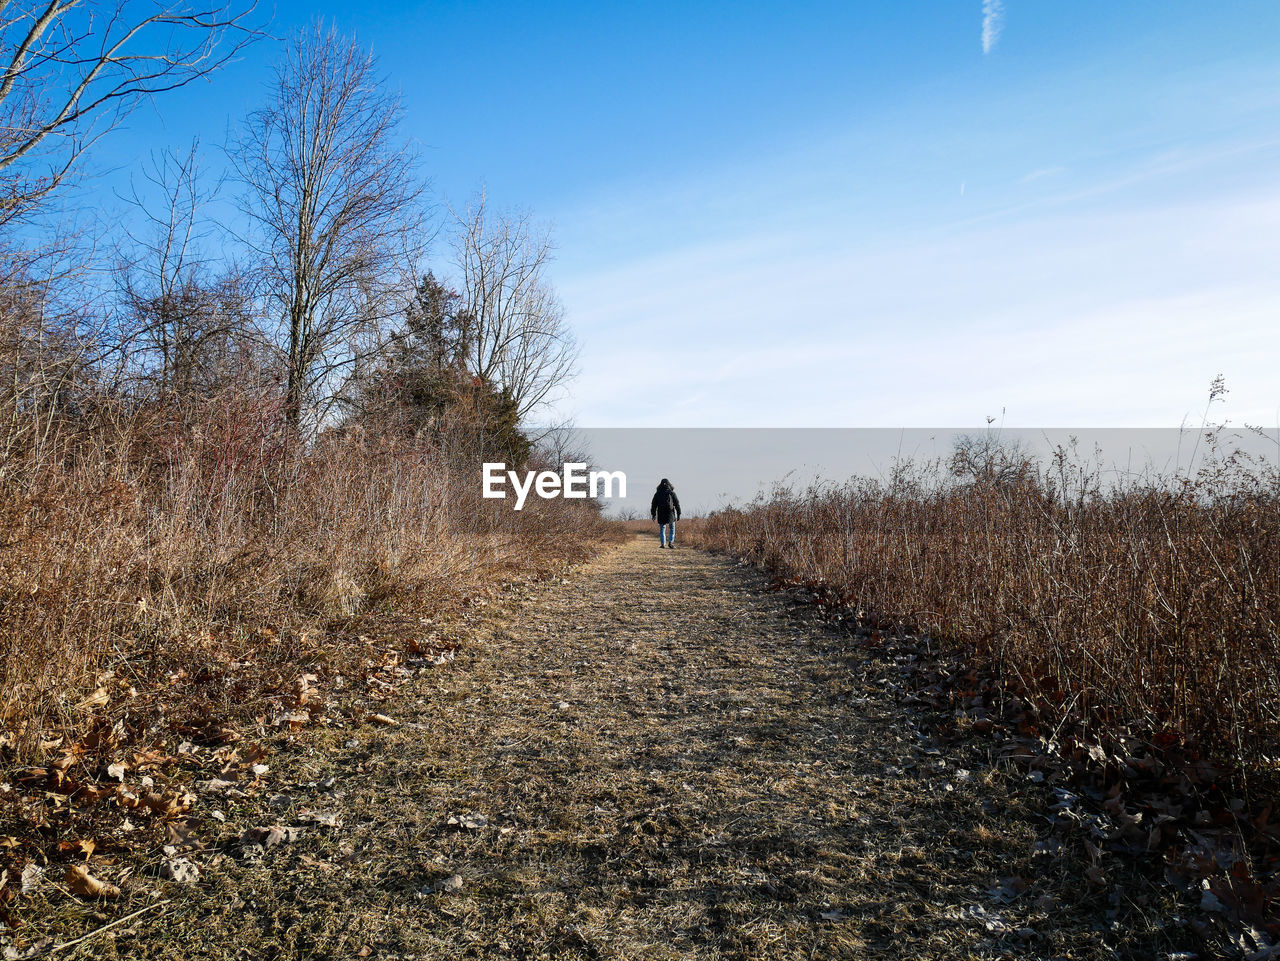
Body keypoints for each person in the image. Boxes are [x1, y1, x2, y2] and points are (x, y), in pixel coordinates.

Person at [650, 478, 681, 548]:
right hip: (670, 513)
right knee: (672, 528)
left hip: (661, 513)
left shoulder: (657, 494)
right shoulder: (672, 493)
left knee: (662, 529)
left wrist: (653, 514)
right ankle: (670, 542)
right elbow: (677, 504)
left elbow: (653, 505)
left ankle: (663, 544)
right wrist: (679, 513)